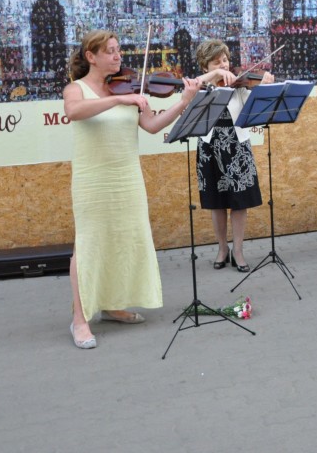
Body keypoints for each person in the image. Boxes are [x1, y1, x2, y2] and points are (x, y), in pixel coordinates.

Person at [63, 30, 201, 349]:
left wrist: (184, 101)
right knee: (88, 244)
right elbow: (74, 112)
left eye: (118, 50)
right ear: (91, 56)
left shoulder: (131, 86)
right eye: (109, 51)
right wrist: (120, 99)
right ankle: (80, 319)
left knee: (123, 238)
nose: (118, 56)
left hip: (127, 176)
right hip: (93, 178)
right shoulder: (77, 89)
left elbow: (152, 126)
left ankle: (111, 306)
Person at [193, 39, 273, 272]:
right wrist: (215, 76)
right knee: (216, 203)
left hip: (237, 146)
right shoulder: (201, 86)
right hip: (210, 147)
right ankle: (222, 249)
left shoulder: (239, 85)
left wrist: (264, 86)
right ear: (204, 66)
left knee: (239, 202)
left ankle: (237, 250)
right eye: (216, 63)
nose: (224, 66)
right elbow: (194, 87)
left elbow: (256, 108)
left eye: (225, 60)